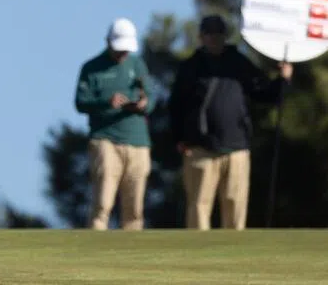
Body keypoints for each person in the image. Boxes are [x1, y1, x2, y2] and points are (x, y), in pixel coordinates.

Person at [169, 13, 292, 230]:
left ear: (225, 36)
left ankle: (234, 251)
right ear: (201, 37)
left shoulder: (239, 62)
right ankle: (197, 252)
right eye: (209, 34)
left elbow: (264, 92)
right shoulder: (190, 67)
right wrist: (179, 138)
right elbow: (176, 105)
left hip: (236, 148)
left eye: (218, 34)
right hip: (200, 149)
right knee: (198, 208)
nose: (214, 38)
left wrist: (283, 79)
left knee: (235, 208)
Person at [73, 18, 155, 230]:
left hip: (137, 141)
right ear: (108, 42)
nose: (123, 54)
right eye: (119, 49)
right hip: (105, 140)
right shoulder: (91, 68)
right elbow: (81, 103)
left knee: (134, 209)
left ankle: (132, 250)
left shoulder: (137, 64)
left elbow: (151, 97)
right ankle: (95, 246)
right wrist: (106, 102)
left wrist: (143, 104)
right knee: (102, 204)